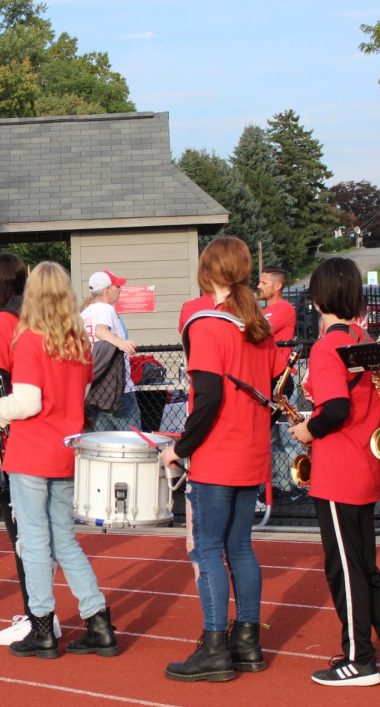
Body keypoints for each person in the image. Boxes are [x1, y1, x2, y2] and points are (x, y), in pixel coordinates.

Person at [288, 259, 380, 686]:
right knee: (365, 565)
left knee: (344, 568)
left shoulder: (326, 346)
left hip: (338, 467)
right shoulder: (363, 338)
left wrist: (306, 429)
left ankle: (359, 657)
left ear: (316, 299)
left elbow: (335, 408)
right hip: (366, 463)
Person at [160, 237, 275, 682]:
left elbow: (207, 399)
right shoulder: (257, 328)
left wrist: (179, 448)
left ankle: (213, 645)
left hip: (218, 452)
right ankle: (246, 639)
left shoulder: (207, 325)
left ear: (208, 270)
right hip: (250, 449)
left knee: (206, 549)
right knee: (240, 547)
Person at [0, 261, 118, 659]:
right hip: (66, 449)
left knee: (34, 540)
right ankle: (97, 618)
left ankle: (42, 624)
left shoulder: (30, 340)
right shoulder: (78, 343)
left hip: (32, 450)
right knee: (64, 539)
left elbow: (28, 402)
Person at [0, 253, 55, 645]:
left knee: (23, 533)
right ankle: (42, 611)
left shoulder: (0, 323)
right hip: (49, 434)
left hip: (14, 439)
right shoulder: (38, 319)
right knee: (46, 535)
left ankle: (38, 615)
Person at [258, 266, 302, 501]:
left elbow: (258, 332)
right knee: (273, 437)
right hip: (268, 378)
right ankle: (282, 484)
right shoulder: (265, 311)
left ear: (277, 286)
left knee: (288, 436)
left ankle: (299, 484)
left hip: (282, 379)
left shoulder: (283, 308)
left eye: (264, 282)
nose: (259, 286)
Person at [81, 269, 139, 431]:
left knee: (103, 445)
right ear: (107, 290)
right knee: (132, 443)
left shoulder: (84, 313)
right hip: (118, 391)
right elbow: (100, 330)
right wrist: (122, 343)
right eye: (117, 287)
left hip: (94, 389)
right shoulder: (105, 309)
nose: (120, 290)